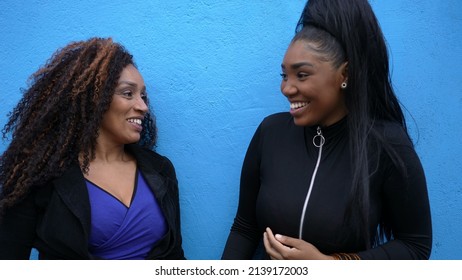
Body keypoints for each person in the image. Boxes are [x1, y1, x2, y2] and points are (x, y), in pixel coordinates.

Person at [222, 0, 432, 260]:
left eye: (302, 75)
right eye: (284, 76)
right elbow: (245, 227)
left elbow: (415, 246)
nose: (287, 88)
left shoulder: (386, 143)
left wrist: (331, 265)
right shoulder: (270, 132)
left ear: (344, 75)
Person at [0, 37, 185, 259]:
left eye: (143, 96)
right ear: (94, 98)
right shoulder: (38, 176)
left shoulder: (160, 169)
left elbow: (174, 258)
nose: (143, 106)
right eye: (128, 93)